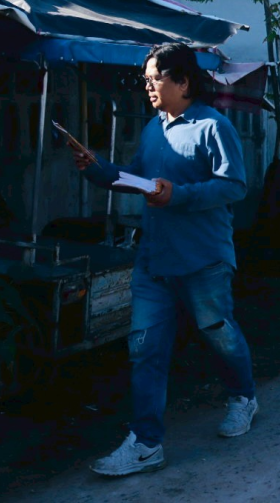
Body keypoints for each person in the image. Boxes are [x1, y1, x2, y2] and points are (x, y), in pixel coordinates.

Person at [74, 43, 254, 477]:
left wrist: (179, 195)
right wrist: (97, 168)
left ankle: (243, 397)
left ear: (184, 81)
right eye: (147, 79)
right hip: (154, 261)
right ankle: (146, 443)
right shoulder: (154, 129)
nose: (149, 86)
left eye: (156, 78)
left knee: (220, 334)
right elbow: (138, 179)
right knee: (145, 349)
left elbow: (234, 186)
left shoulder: (213, 126)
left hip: (202, 259)